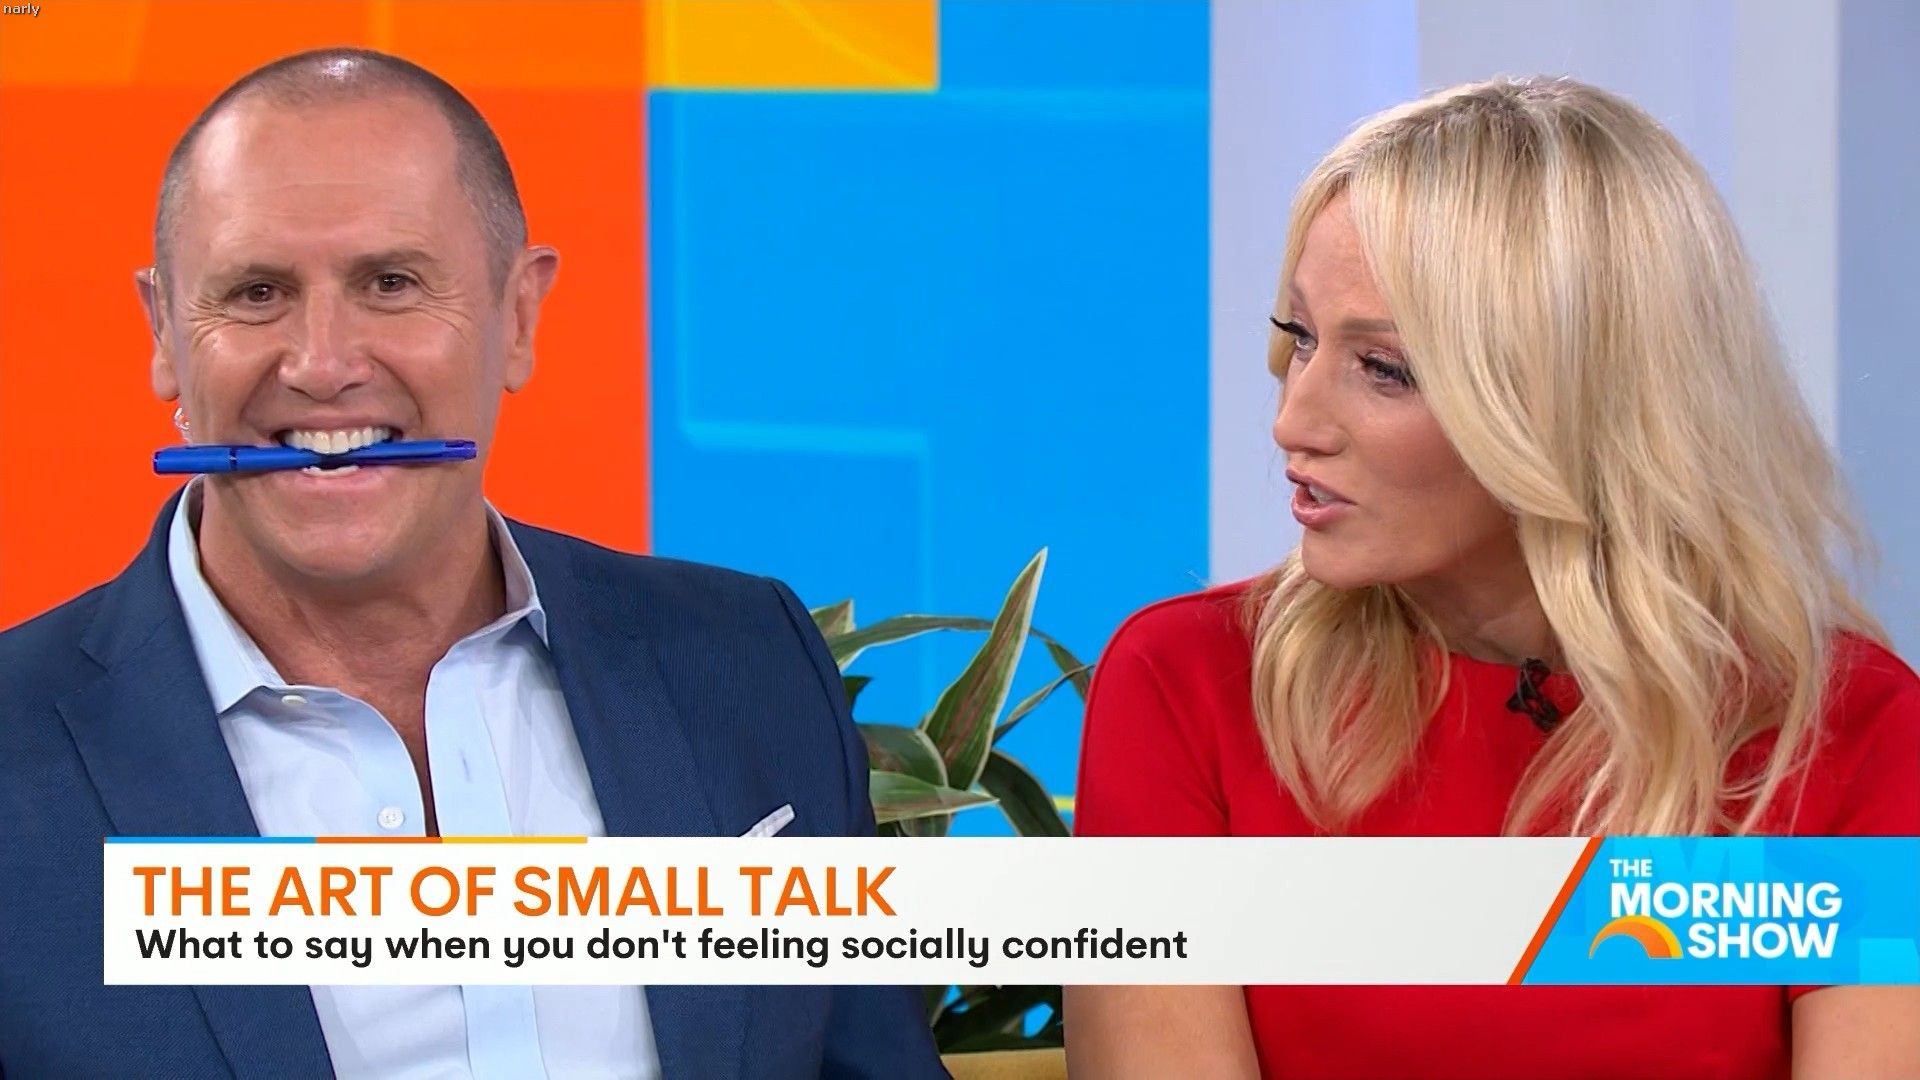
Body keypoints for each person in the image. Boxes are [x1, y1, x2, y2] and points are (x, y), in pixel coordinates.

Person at [0, 48, 945, 1080]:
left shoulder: (746, 662)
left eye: (392, 284)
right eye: (257, 292)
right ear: (164, 334)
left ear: (520, 316)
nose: (322, 364)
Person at [1067, 76, 1920, 1079]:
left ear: (1576, 402)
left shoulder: (1850, 732)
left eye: (1384, 368)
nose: (1293, 422)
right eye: (1300, 339)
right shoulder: (1190, 685)